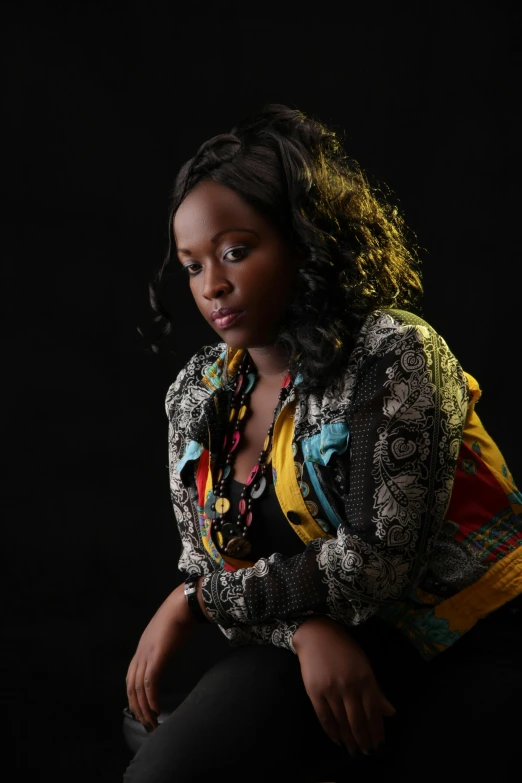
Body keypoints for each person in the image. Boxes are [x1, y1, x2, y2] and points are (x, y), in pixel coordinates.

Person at [123, 105, 522, 783]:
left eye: (235, 251)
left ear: (304, 241)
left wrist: (191, 602)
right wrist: (303, 632)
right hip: (326, 644)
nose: (211, 285)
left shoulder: (396, 354)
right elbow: (208, 558)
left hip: (468, 636)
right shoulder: (197, 394)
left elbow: (374, 564)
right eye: (192, 266)